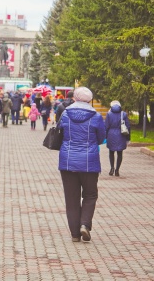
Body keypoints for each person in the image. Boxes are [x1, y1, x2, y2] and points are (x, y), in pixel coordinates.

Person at [58, 87, 106, 242]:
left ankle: (74, 235)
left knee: (71, 198)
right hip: (89, 162)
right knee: (90, 194)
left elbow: (60, 132)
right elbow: (101, 139)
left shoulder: (65, 114)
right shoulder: (96, 116)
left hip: (68, 161)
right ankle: (84, 225)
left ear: (75, 99)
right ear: (89, 100)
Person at [105, 100, 130, 177]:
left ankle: (112, 168)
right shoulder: (124, 114)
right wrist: (128, 138)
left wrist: (106, 136)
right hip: (121, 135)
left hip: (111, 134)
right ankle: (117, 170)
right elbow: (128, 126)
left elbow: (106, 126)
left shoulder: (109, 114)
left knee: (111, 152)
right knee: (120, 153)